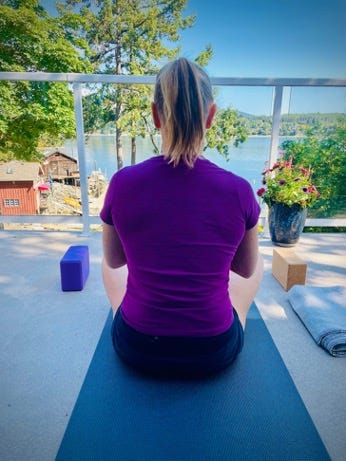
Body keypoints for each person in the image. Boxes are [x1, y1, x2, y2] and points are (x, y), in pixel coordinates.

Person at [100, 57, 263, 378]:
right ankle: (239, 320)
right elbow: (244, 270)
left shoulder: (122, 183)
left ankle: (125, 312)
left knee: (107, 262)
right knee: (258, 266)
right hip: (213, 351)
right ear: (211, 116)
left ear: (155, 115)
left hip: (138, 347)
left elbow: (115, 261)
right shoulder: (239, 190)